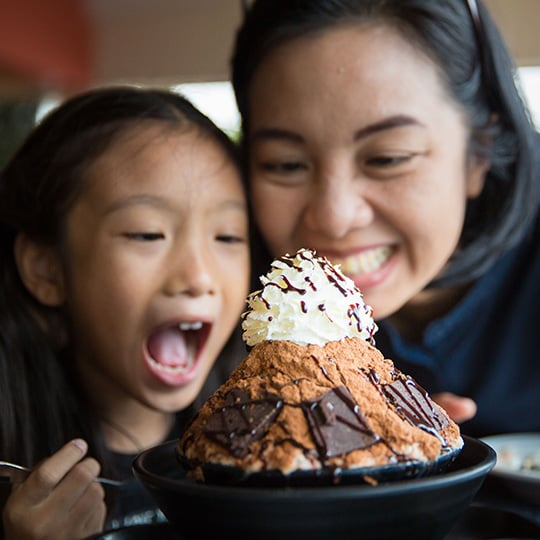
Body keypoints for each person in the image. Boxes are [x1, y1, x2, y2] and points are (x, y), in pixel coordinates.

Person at [231, 0, 540, 437]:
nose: (334, 218)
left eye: (387, 158)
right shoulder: (222, 285)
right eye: (285, 164)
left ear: (479, 153)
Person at [0, 86, 250, 539]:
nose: (199, 276)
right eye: (147, 233)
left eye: (228, 237)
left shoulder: (269, 458)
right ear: (46, 269)